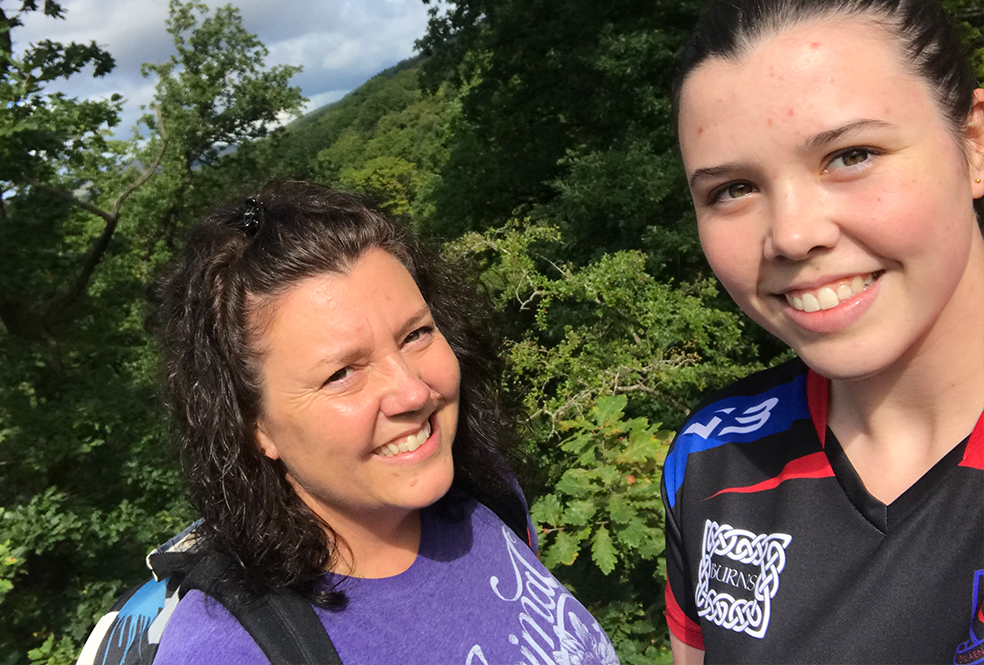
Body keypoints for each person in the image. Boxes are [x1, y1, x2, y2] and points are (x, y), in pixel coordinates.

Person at [85, 181, 619, 664]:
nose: (412, 391)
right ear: (253, 425)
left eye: (416, 334)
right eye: (342, 373)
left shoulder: (484, 491)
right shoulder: (238, 652)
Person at [663, 0, 984, 662]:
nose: (792, 234)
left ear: (974, 145)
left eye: (850, 155)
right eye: (731, 189)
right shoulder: (710, 461)